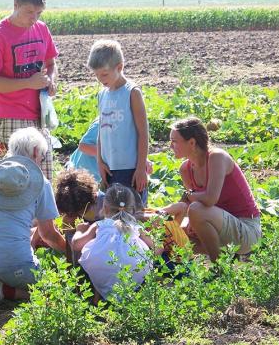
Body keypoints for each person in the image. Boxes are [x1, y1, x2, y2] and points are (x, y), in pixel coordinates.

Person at [0, 127, 66, 313]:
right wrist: (71, 253)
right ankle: (6, 290)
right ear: (35, 152)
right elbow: (48, 234)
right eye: (42, 156)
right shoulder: (41, 183)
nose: (42, 160)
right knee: (49, 290)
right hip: (15, 264)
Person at [0, 0, 59, 180]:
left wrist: (51, 79)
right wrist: (28, 83)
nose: (34, 18)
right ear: (16, 5)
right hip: (8, 116)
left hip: (39, 116)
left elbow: (51, 63)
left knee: (44, 179)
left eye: (39, 13)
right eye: (29, 12)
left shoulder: (42, 29)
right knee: (16, 180)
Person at [169, 117, 261, 262]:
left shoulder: (217, 157)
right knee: (176, 236)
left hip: (247, 229)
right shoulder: (185, 169)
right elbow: (192, 202)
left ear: (192, 142)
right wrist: (186, 225)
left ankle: (219, 268)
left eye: (174, 141)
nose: (170, 146)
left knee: (196, 210)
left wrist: (189, 196)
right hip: (220, 226)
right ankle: (183, 271)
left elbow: (210, 199)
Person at [88, 39, 150, 205]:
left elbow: (143, 133)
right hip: (109, 168)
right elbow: (102, 131)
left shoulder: (132, 92)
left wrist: (140, 168)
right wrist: (100, 162)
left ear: (120, 67)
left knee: (133, 214)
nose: (100, 79)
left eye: (105, 74)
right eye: (96, 74)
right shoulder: (102, 94)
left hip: (130, 168)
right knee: (113, 214)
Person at [71, 184, 154, 300]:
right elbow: (157, 247)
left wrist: (79, 231)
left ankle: (97, 297)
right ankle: (134, 296)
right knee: (143, 258)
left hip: (102, 269)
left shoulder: (99, 225)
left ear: (104, 208)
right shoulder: (136, 227)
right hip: (133, 270)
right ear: (132, 208)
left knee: (92, 255)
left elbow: (76, 245)